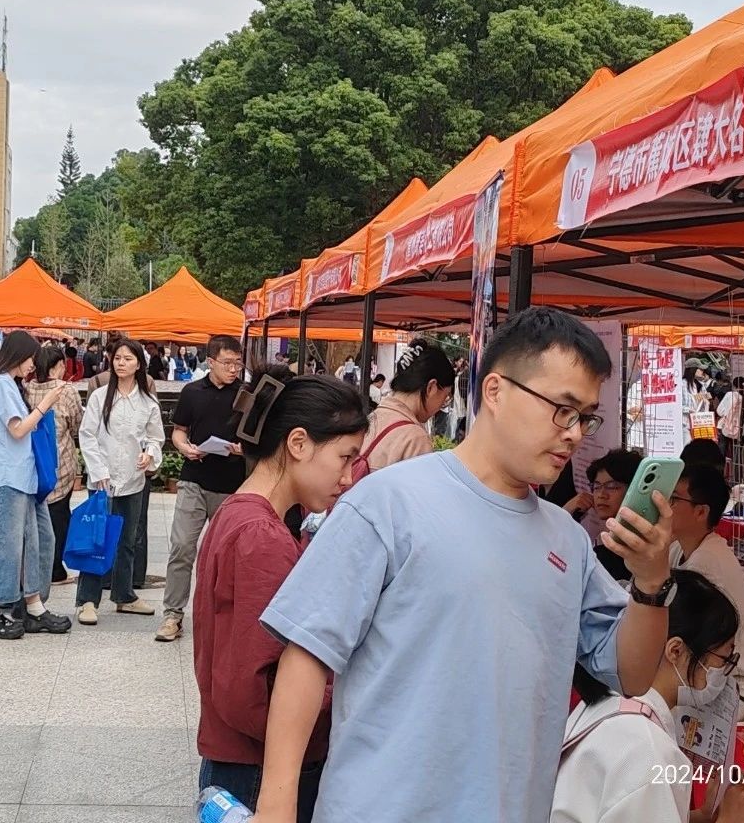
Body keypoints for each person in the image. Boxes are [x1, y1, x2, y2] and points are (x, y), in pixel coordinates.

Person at [251, 306, 676, 823]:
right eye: (562, 409)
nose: (574, 433)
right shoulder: (387, 502)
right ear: (495, 391)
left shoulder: (567, 539)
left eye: (586, 417)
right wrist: (276, 805)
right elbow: (307, 654)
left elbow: (631, 674)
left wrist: (651, 580)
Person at [194, 366, 368, 820]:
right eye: (344, 457)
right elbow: (255, 684)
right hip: (261, 768)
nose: (348, 477)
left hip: (241, 760)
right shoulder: (262, 536)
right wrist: (342, 698)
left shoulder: (238, 514)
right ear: (298, 444)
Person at [553, 570, 744, 823]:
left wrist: (699, 817)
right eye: (724, 658)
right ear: (676, 651)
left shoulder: (611, 698)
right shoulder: (646, 747)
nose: (724, 672)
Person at [0, 331, 68, 639]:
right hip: (5, 477)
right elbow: (17, 429)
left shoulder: (7, 383)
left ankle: (33, 606)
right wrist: (46, 403)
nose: (33, 366)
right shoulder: (1, 384)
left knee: (36, 541)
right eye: (30, 359)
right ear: (18, 355)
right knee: (1, 545)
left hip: (20, 477)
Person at [156, 335, 246, 643]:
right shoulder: (192, 392)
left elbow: (256, 439)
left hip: (232, 485)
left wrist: (242, 449)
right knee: (182, 546)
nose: (233, 369)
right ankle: (172, 614)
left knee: (224, 555)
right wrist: (185, 448)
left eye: (237, 363)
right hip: (194, 478)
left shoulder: (246, 395)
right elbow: (179, 432)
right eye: (227, 363)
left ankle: (222, 615)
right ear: (211, 362)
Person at [668, 465, 744, 721]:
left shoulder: (707, 562)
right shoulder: (680, 548)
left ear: (701, 512)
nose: (665, 505)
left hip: (735, 689)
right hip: (708, 675)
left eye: (674, 499)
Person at [76, 339, 164, 625]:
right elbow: (87, 434)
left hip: (133, 479)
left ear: (139, 364)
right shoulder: (100, 397)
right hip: (102, 480)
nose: (121, 363)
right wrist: (98, 470)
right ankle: (88, 600)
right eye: (117, 358)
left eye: (128, 358)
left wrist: (149, 455)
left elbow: (156, 438)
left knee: (128, 540)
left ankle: (124, 595)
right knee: (96, 539)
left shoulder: (148, 402)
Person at [26, 346, 84, 585]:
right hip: (61, 462)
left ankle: (35, 567)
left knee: (36, 517)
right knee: (59, 516)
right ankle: (54, 569)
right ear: (58, 366)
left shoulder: (26, 388)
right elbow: (77, 424)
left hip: (33, 463)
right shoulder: (66, 390)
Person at [357, 339, 455, 474]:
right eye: (445, 397)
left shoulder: (372, 417)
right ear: (431, 388)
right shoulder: (415, 439)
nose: (441, 405)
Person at [562, 449, 643, 580]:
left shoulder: (634, 545)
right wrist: (567, 511)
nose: (601, 494)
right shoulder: (604, 541)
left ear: (634, 489)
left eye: (612, 486)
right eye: (597, 486)